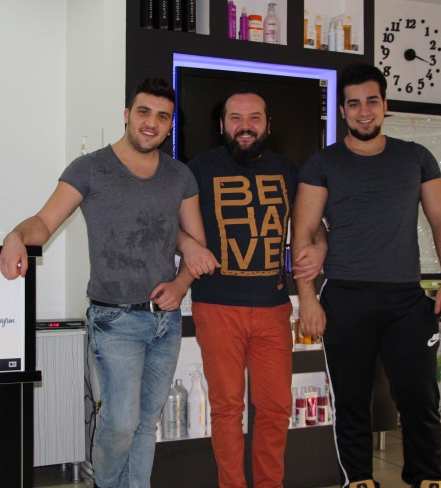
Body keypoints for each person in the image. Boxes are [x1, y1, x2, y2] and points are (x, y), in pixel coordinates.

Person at [0, 78, 218, 488]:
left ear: (171, 125)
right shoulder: (89, 168)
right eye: (144, 112)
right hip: (114, 320)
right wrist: (15, 236)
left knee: (146, 423)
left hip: (165, 322)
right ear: (126, 115)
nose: (151, 123)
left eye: (163, 116)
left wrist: (180, 285)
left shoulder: (180, 176)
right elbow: (44, 222)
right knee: (120, 423)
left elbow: (196, 246)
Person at [292, 63, 441, 488]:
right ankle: (359, 479)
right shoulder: (323, 163)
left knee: (420, 397)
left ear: (385, 105)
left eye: (371, 101)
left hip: (406, 298)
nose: (363, 111)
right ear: (342, 111)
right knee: (352, 401)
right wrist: (307, 298)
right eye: (354, 104)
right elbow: (304, 231)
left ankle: (428, 477)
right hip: (345, 297)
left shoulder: (416, 157)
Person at [185, 88, 325, 488]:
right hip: (217, 307)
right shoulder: (197, 169)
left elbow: (313, 227)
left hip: (273, 307)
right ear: (221, 125)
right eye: (235, 118)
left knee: (276, 408)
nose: (244, 126)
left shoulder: (289, 171)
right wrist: (189, 246)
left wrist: (320, 248)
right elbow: (174, 225)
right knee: (227, 409)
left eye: (254, 118)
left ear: (267, 125)